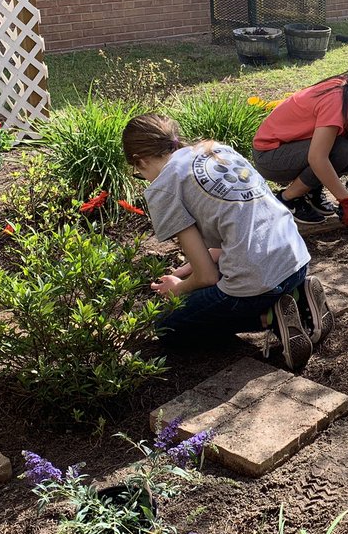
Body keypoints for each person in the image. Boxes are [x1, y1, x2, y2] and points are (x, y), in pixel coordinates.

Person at [122, 113, 334, 372]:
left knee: (166, 326)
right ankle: (298, 296)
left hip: (258, 284)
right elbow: (240, 231)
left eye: (139, 173)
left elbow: (207, 277)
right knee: (224, 282)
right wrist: (185, 270)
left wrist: (178, 289)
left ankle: (270, 317)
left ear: (140, 160)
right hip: (296, 261)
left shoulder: (163, 187)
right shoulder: (216, 150)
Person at [253, 52, 348, 230]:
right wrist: (346, 201)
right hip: (271, 156)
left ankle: (311, 191)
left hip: (297, 148)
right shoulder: (336, 99)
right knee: (340, 150)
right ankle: (287, 199)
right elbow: (317, 158)